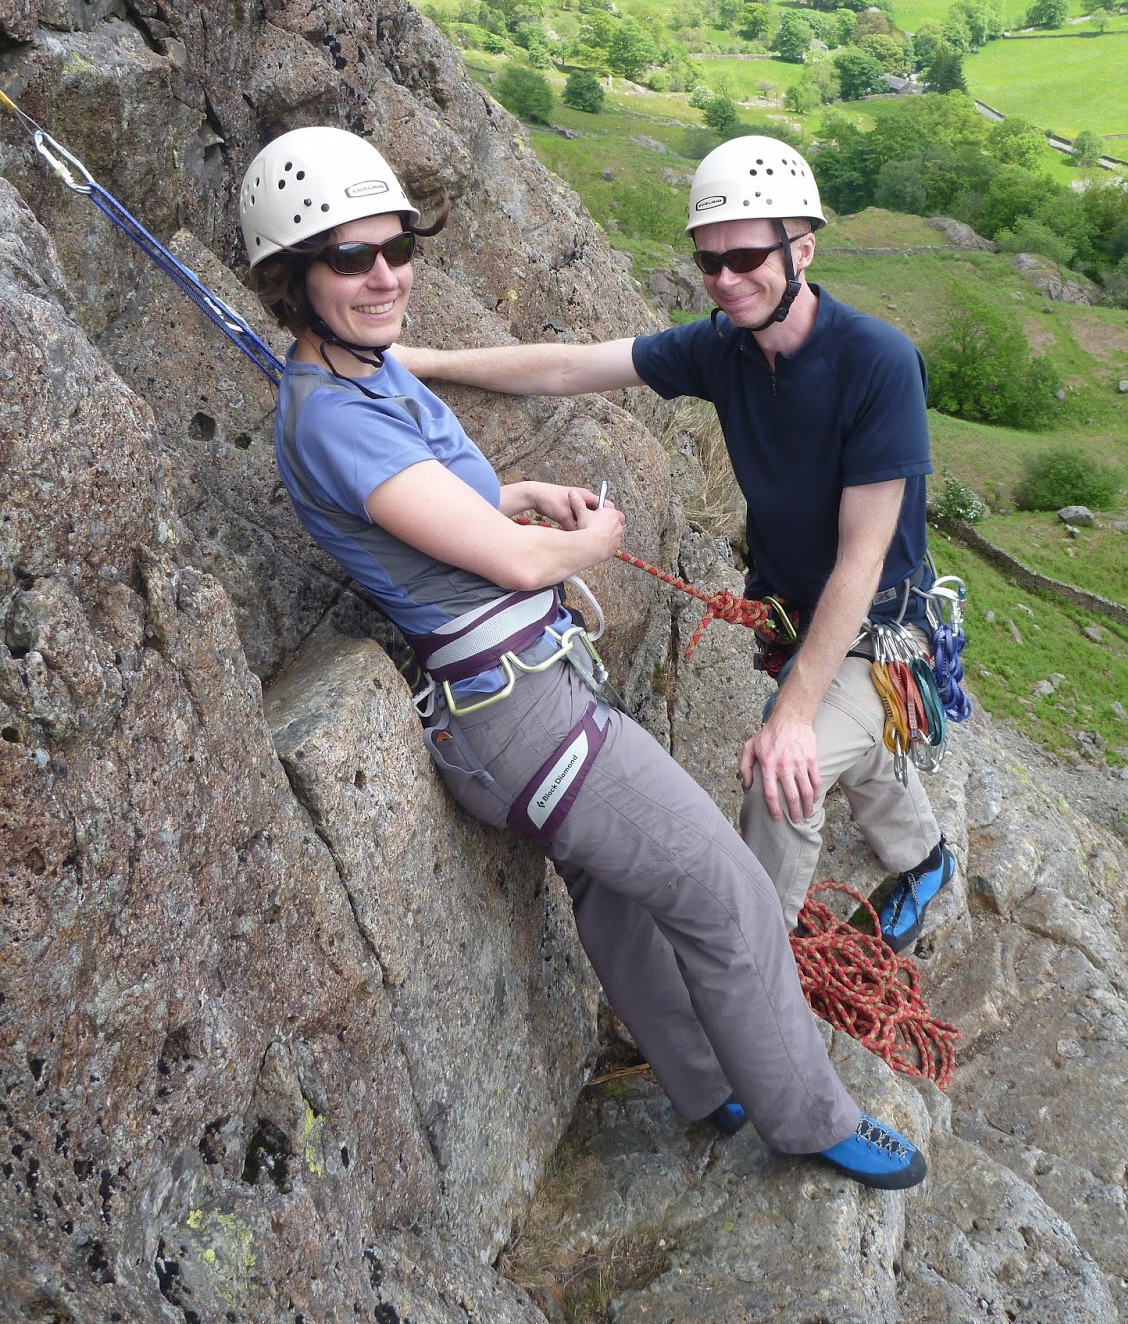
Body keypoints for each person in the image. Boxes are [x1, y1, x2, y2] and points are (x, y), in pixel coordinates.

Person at [239, 125, 927, 1192]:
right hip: (522, 713)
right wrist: (581, 541)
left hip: (512, 708)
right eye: (349, 257)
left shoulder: (368, 377)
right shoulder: (337, 415)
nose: (385, 274)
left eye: (396, 246)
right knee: (730, 893)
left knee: (611, 892)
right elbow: (514, 564)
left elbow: (443, 513)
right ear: (293, 277)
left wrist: (516, 493)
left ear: (804, 249)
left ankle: (708, 1086)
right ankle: (806, 1118)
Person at [397, 136, 956, 955]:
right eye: (709, 262)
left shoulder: (877, 363)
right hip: (799, 615)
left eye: (747, 258)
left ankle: (757, 972)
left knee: (780, 778)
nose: (726, 281)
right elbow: (567, 369)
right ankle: (926, 858)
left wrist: (793, 716)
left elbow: (863, 557)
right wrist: (420, 361)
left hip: (874, 624)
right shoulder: (721, 350)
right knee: (848, 739)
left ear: (802, 249)